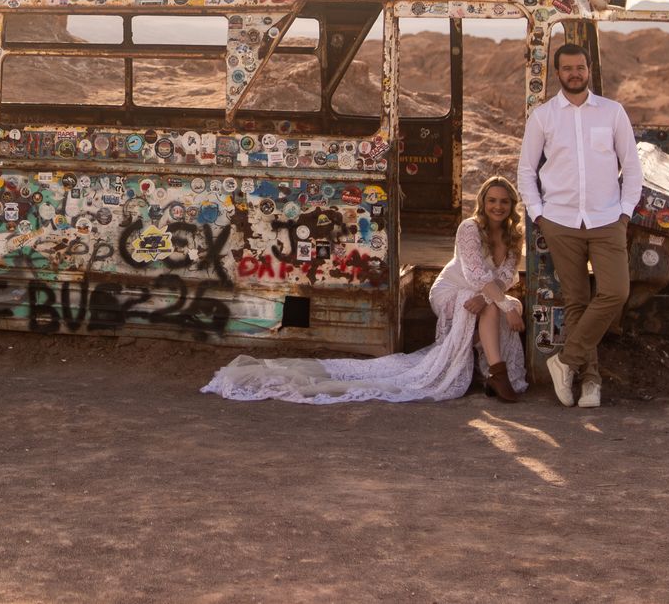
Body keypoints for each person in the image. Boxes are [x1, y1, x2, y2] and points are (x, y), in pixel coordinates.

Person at [201, 177, 529, 405]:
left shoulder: (514, 238)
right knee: (495, 304)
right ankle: (495, 375)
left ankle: (495, 373)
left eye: (503, 202)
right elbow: (476, 273)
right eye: (491, 200)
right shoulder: (469, 229)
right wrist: (499, 302)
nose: (497, 207)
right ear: (482, 202)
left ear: (511, 205)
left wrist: (497, 301)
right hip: (450, 290)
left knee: (498, 304)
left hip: (480, 294)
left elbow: (502, 278)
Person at [517, 41, 643, 409]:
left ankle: (565, 360)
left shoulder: (612, 112)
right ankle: (590, 383)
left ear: (589, 70)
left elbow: (631, 167)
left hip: (607, 219)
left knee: (615, 292)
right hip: (560, 220)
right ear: (558, 72)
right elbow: (526, 169)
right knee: (576, 301)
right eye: (568, 68)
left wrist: (625, 212)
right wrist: (538, 212)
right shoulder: (543, 117)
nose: (575, 73)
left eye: (580, 68)